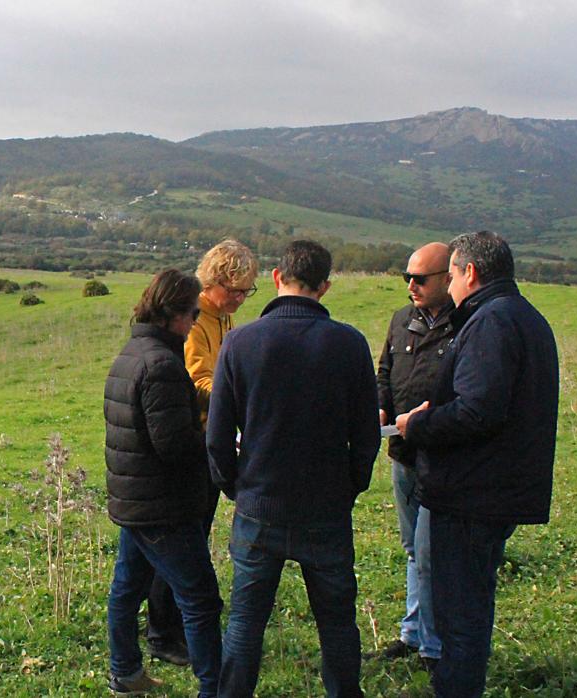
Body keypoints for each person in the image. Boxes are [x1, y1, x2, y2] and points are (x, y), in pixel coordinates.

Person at [207, 240, 378, 697]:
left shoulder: (240, 341)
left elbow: (218, 435)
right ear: (325, 286)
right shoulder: (350, 344)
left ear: (279, 277)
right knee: (338, 622)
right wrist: (350, 487)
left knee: (245, 621)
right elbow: (366, 435)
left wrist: (234, 486)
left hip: (258, 505)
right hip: (326, 507)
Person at [396, 231, 559, 697]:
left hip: (472, 494)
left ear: (470, 272)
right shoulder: (523, 317)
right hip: (498, 488)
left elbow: (477, 411)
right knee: (471, 607)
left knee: (458, 618)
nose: (447, 288)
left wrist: (419, 426)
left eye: (450, 276)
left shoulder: (491, 323)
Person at [104, 269, 223, 697]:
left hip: (134, 499)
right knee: (200, 599)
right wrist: (220, 439)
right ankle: (215, 687)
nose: (195, 322)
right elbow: (173, 446)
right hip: (163, 507)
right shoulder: (163, 365)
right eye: (193, 313)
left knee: (126, 589)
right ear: (173, 313)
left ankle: (126, 674)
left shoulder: (132, 352)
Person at [143, 239, 260, 666]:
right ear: (212, 284)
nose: (240, 299)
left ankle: (173, 624)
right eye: (234, 291)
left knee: (191, 537)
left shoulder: (223, 321)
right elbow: (196, 384)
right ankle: (163, 632)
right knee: (182, 542)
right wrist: (240, 398)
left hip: (211, 439)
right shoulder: (197, 324)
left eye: (246, 292)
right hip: (193, 444)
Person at [372, 242, 454, 669]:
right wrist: (382, 403)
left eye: (420, 279)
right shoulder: (402, 319)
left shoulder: (464, 323)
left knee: (429, 551)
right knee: (411, 548)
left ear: (448, 278)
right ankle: (413, 633)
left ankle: (434, 646)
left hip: (442, 456)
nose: (412, 286)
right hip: (402, 452)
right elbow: (384, 370)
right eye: (407, 278)